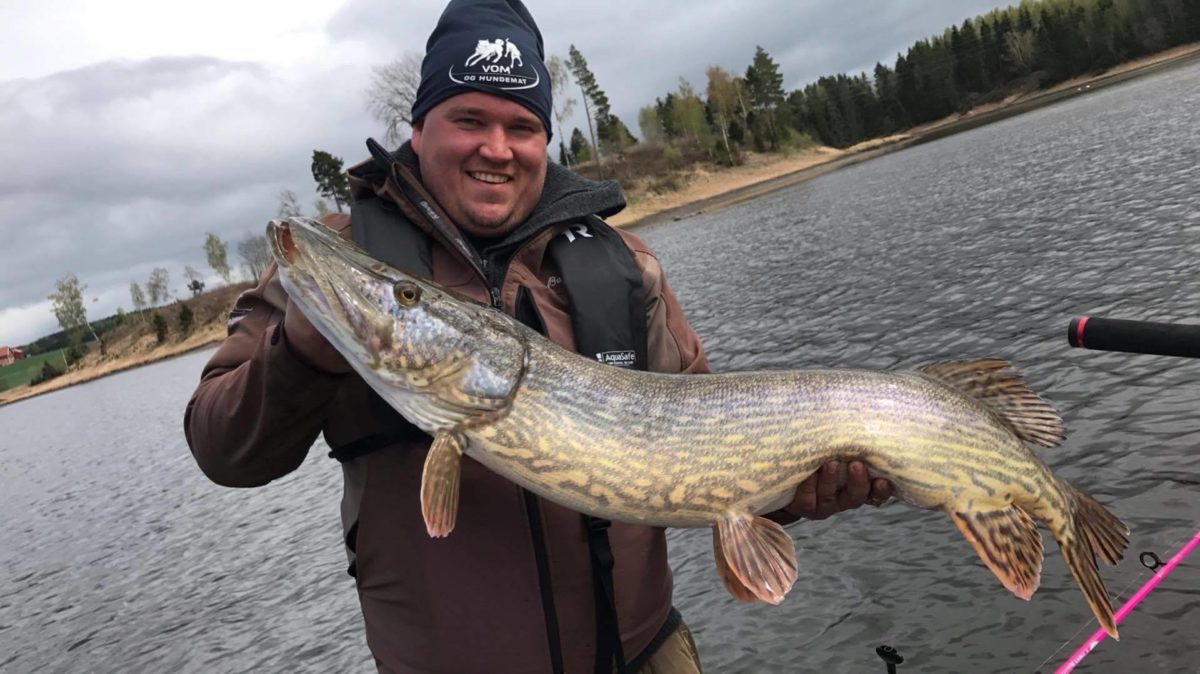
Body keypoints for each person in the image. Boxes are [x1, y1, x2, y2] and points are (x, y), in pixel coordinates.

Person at [183, 1, 893, 672]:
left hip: (646, 657)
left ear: (545, 141)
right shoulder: (340, 265)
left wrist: (797, 494)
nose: (496, 148)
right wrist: (302, 351)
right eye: (469, 118)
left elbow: (714, 454)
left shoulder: (621, 263)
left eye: (521, 127)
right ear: (420, 127)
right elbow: (222, 449)